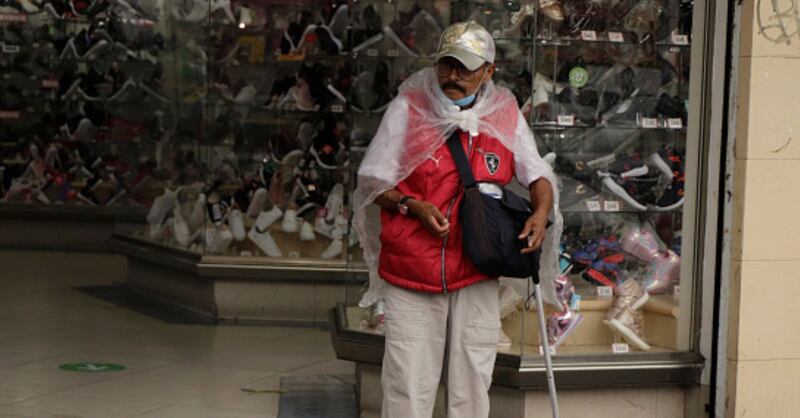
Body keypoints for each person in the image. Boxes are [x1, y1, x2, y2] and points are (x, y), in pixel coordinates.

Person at [352, 21, 561, 418]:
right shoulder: (407, 109)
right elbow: (373, 182)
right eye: (446, 65)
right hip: (412, 268)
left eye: (465, 67)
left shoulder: (504, 114)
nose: (453, 76)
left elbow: (536, 173)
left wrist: (540, 212)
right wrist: (412, 205)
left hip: (477, 264)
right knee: (407, 385)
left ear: (488, 71)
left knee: (472, 381)